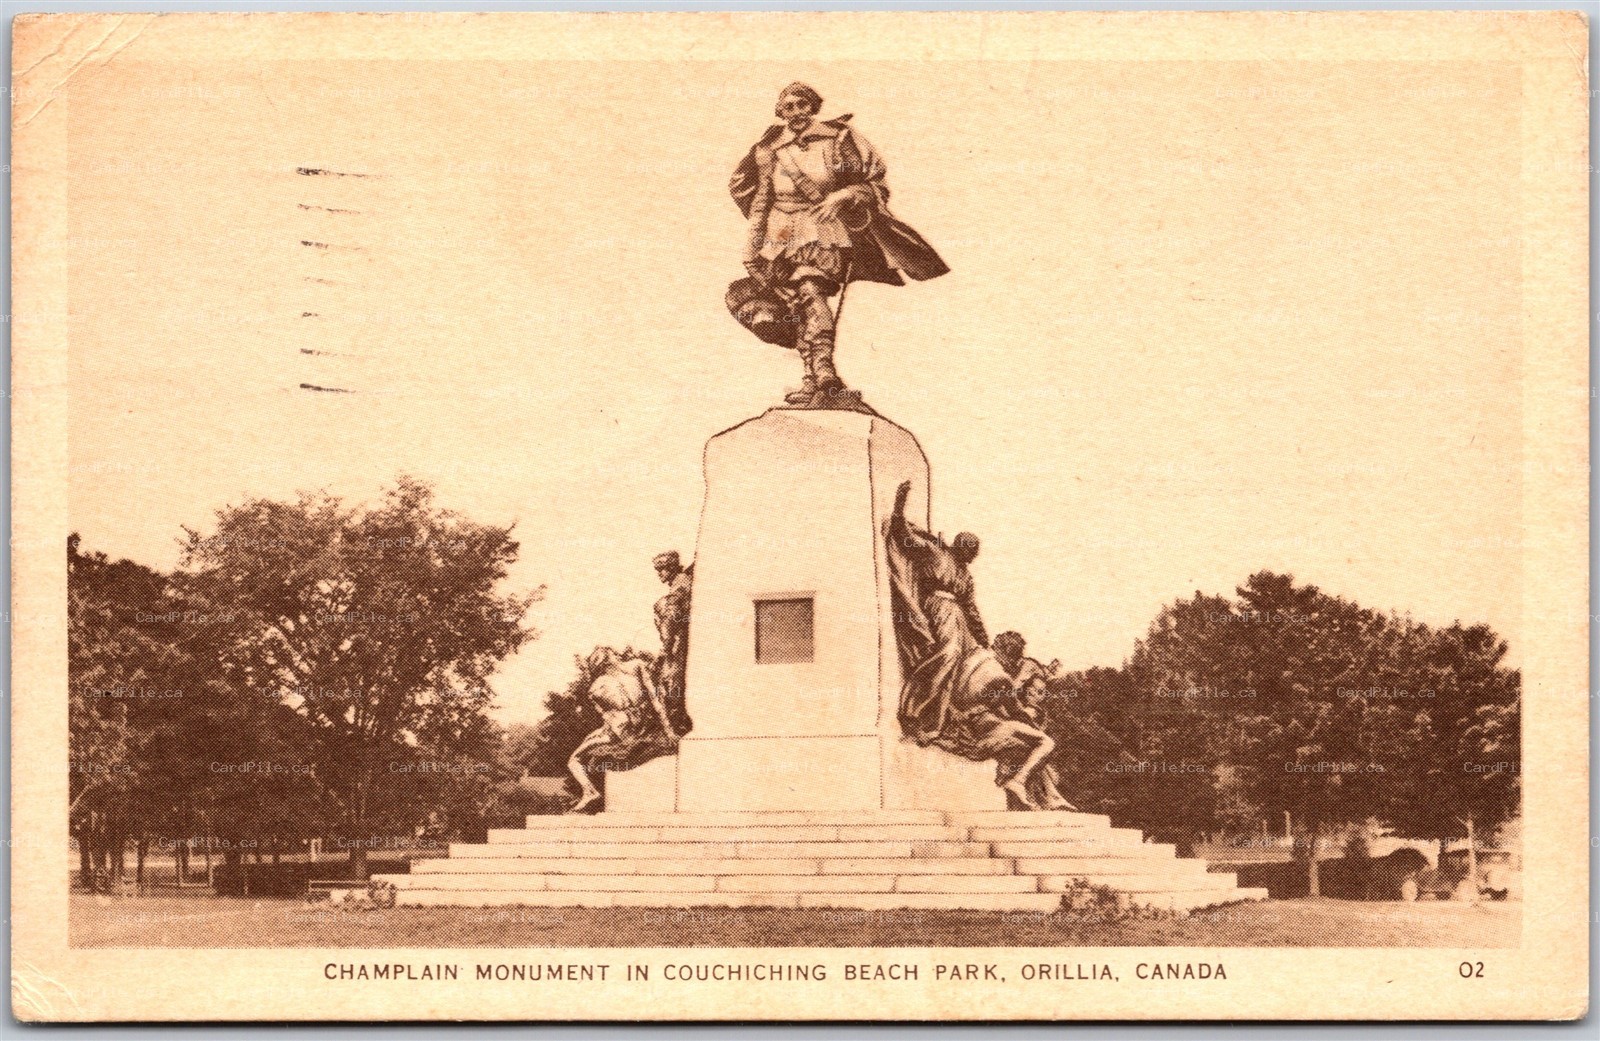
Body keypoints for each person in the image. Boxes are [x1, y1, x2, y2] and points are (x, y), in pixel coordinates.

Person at [730, 83, 948, 404]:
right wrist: (752, 250)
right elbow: (761, 200)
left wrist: (843, 195)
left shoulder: (839, 140)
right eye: (788, 107)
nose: (796, 112)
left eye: (802, 105)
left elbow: (871, 184)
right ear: (780, 112)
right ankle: (811, 378)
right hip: (778, 234)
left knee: (810, 288)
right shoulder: (769, 148)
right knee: (794, 301)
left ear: (814, 107)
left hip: (821, 226)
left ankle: (824, 370)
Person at [884, 481, 1063, 809]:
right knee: (948, 655)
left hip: (960, 620)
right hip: (938, 609)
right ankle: (927, 716)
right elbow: (905, 539)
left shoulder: (965, 578)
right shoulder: (936, 553)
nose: (970, 556)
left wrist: (984, 644)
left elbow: (973, 612)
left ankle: (946, 711)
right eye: (968, 550)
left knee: (970, 663)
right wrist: (898, 505)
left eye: (973, 553)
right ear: (958, 546)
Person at [566, 647, 678, 814]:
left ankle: (590, 791)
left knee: (573, 760)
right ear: (612, 656)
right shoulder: (637, 666)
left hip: (621, 730)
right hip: (643, 725)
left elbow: (608, 717)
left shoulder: (597, 686)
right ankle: (591, 792)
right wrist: (668, 730)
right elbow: (655, 701)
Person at [651, 551, 694, 735]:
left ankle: (678, 723)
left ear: (671, 568)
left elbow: (672, 612)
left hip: (678, 641)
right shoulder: (679, 582)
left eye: (662, 569)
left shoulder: (680, 584)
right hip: (677, 639)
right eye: (658, 570)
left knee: (671, 681)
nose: (659, 573)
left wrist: (666, 647)